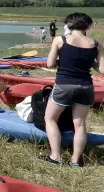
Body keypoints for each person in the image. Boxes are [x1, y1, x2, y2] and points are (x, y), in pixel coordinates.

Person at [43, 13, 104, 167]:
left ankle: (55, 157)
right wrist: (89, 62)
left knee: (50, 119)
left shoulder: (60, 40)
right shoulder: (96, 44)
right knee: (80, 124)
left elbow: (50, 64)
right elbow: (102, 69)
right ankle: (76, 161)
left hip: (64, 85)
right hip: (85, 87)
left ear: (68, 25)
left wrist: (61, 60)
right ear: (88, 26)